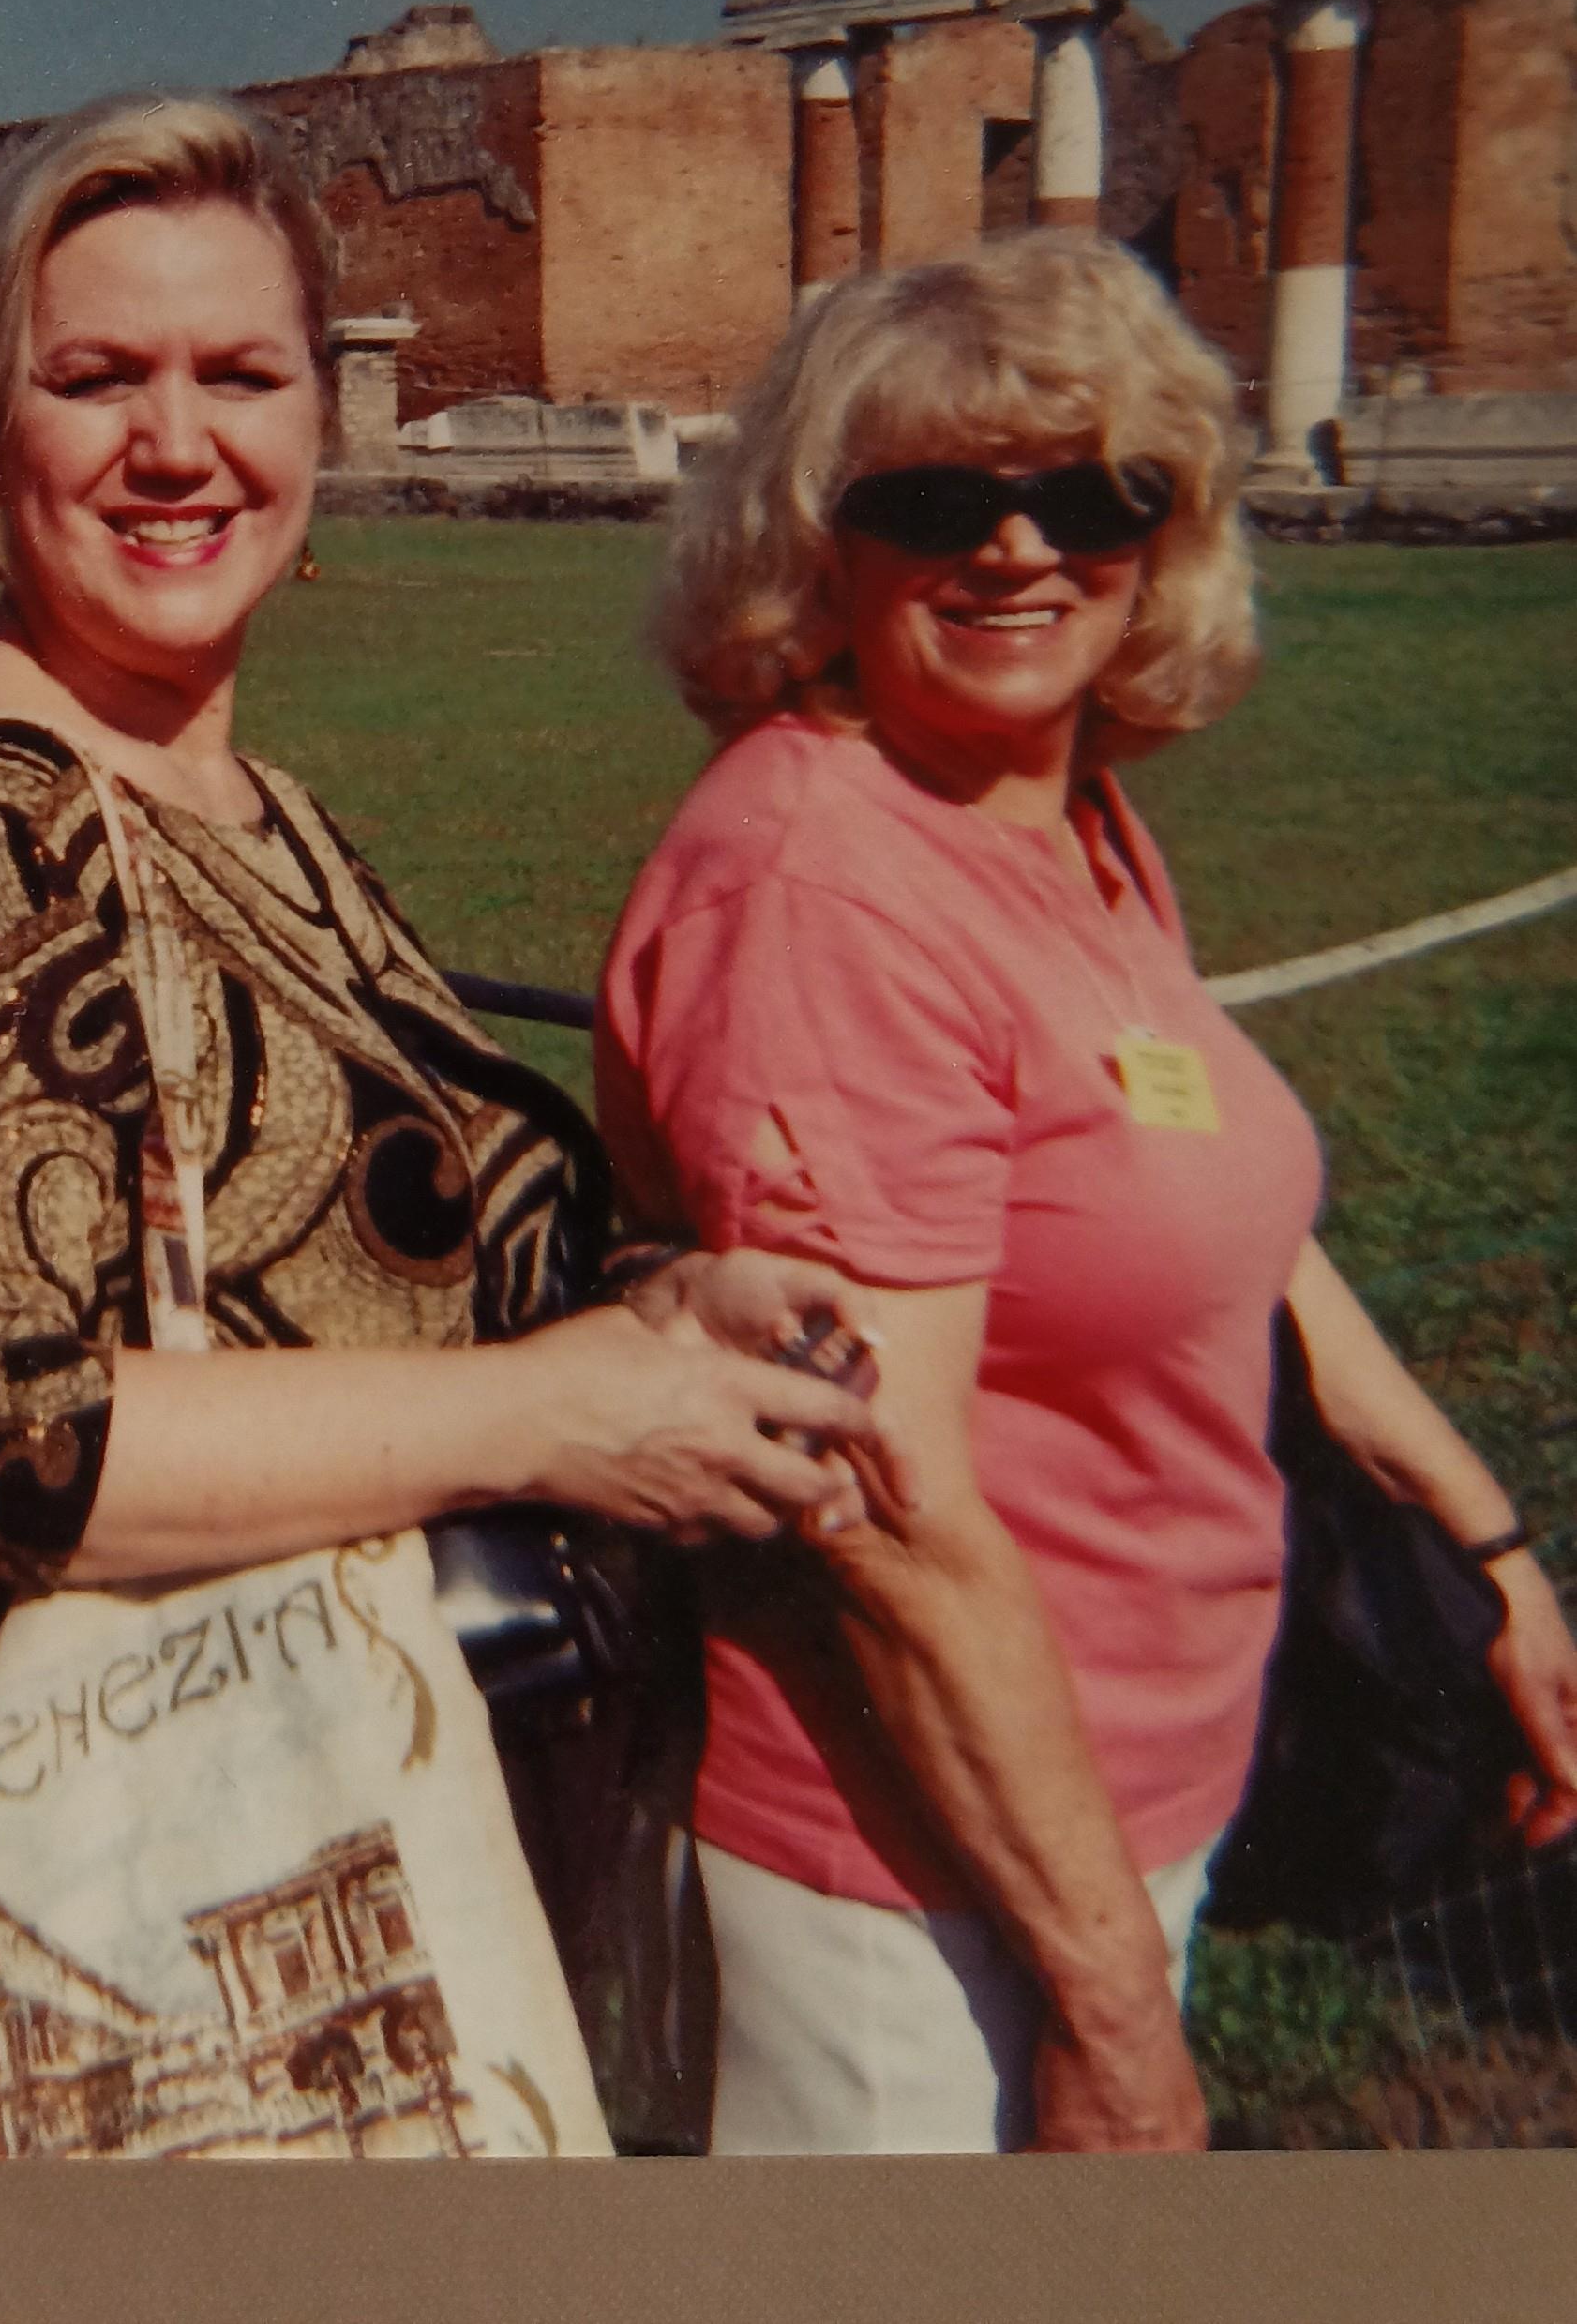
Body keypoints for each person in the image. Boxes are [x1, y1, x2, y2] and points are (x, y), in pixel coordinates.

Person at [0, 94, 892, 2150]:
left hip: (430, 1823)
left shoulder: (232, 795)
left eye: (239, 374)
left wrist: (656, 1296)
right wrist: (556, 1414)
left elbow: (396, 1250)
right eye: (94, 377)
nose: (176, 445)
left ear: (324, 409)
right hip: (204, 1918)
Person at [595, 229, 1577, 2154]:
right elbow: (879, 1503)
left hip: (1127, 1786)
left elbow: (1228, 1202)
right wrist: (1112, 2006)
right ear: (815, 542)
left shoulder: (1062, 813)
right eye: (935, 497)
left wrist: (1480, 1535)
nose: (1019, 547)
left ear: (1166, 527)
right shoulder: (818, 881)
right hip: (922, 1872)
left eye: (1089, 494)